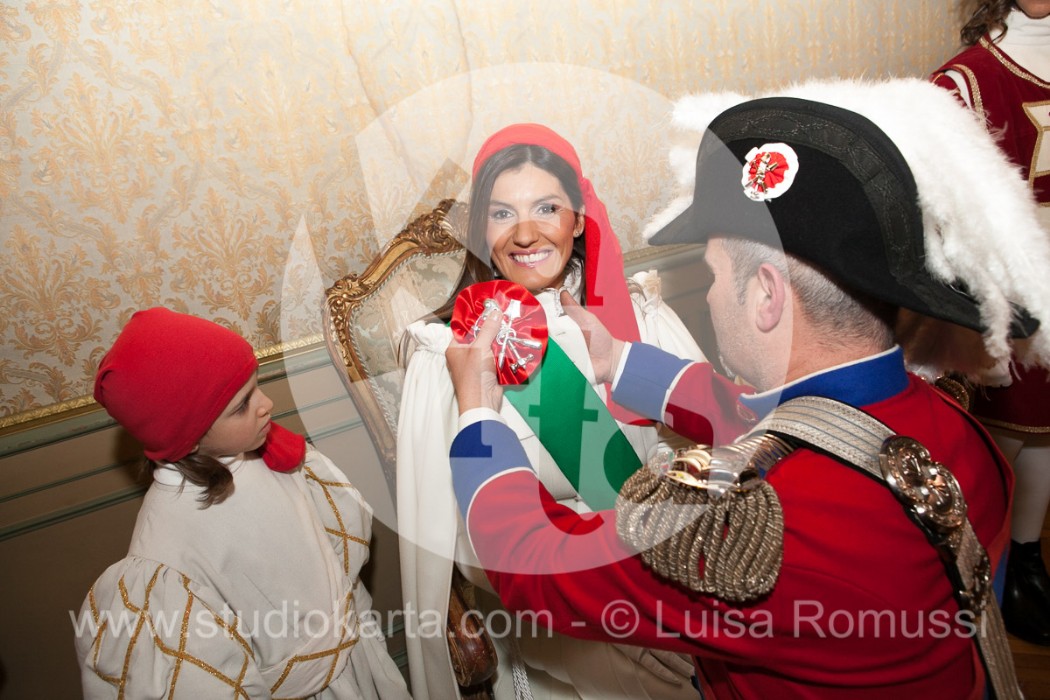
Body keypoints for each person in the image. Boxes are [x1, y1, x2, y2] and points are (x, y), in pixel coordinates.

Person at [443, 79, 1050, 698]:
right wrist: (619, 361)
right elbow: (803, 425)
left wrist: (478, 417)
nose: (708, 296)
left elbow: (538, 567)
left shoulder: (745, 537)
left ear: (766, 294)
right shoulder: (964, 437)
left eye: (712, 274)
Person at [397, 123, 704, 699]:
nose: (526, 233)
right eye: (502, 213)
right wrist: (615, 596)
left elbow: (710, 463)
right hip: (554, 620)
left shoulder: (641, 317)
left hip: (675, 586)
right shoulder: (449, 355)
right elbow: (459, 545)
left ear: (578, 219)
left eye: (546, 207)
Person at [75, 308, 410, 699]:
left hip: (356, 664)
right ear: (189, 436)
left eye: (256, 387)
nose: (266, 404)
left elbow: (339, 550)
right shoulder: (166, 556)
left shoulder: (263, 456)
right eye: (242, 405)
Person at [931, 0, 1050, 646]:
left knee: (1045, 433)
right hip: (1008, 304)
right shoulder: (967, 82)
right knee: (998, 444)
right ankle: (985, 581)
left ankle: (1027, 561)